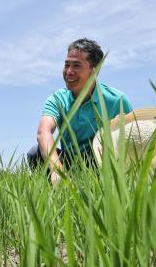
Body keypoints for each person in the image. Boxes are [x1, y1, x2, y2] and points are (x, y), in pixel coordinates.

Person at [27, 38, 133, 184]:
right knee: (35, 153)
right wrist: (58, 171)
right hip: (70, 161)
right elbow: (44, 132)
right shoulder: (57, 99)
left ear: (94, 70)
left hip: (103, 161)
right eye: (67, 65)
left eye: (76, 65)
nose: (69, 71)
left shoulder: (117, 101)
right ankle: (57, 195)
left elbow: (131, 141)